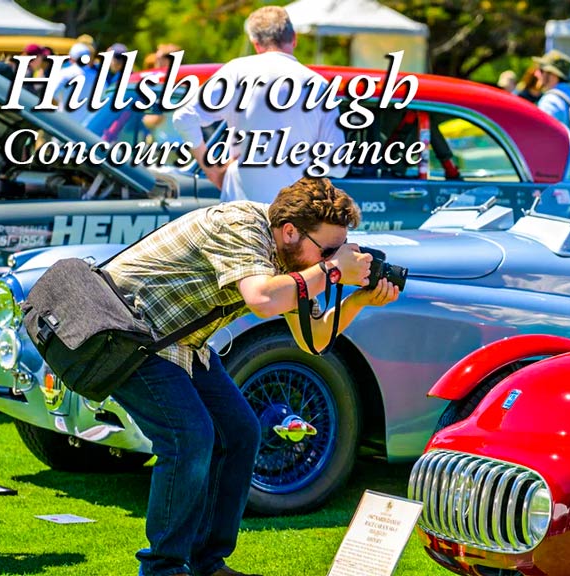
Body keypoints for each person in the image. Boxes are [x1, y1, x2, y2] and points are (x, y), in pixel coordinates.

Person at [103, 176, 400, 576]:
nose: (334, 256)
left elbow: (313, 341)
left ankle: (208, 562)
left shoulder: (294, 260)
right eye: (328, 248)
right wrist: (331, 270)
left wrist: (360, 297)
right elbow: (262, 299)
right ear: (291, 230)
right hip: (124, 333)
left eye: (339, 249)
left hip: (177, 344)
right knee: (190, 436)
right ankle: (163, 569)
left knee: (241, 431)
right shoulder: (241, 224)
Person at [173, 6, 347, 203]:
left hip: (239, 209)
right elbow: (338, 166)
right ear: (294, 39)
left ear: (255, 44)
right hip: (295, 213)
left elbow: (183, 117)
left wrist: (213, 171)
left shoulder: (236, 71)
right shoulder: (319, 85)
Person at [531, 49, 570, 128]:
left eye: (541, 70)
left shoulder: (550, 101)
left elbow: (542, 134)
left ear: (553, 75)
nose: (536, 74)